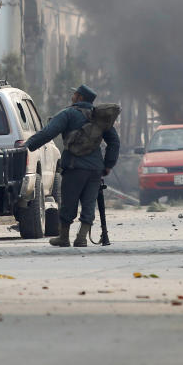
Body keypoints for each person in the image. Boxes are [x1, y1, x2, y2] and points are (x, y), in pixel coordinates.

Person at [24, 84, 120, 247]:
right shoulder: (99, 117)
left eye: (75, 94)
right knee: (89, 204)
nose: (73, 96)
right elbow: (114, 142)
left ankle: (64, 237)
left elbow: (48, 133)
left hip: (74, 168)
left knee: (69, 203)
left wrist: (28, 145)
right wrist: (108, 164)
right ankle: (81, 238)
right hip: (95, 169)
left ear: (80, 97)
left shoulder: (68, 114)